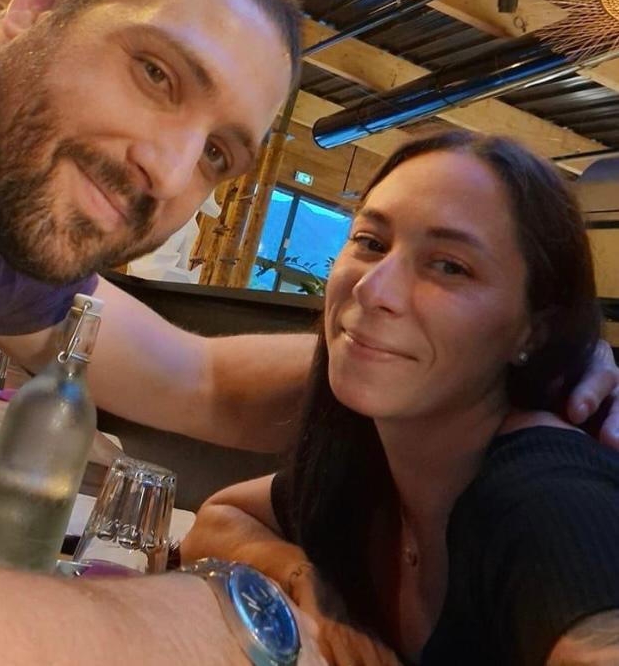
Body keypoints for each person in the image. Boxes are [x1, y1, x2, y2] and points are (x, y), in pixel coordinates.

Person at [0, 0, 616, 663]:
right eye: (158, 75)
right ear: (41, 4)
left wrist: (502, 367)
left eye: (218, 154)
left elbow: (202, 381)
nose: (167, 168)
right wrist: (236, 618)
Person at [182, 132, 619, 666]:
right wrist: (305, 581)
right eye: (370, 242)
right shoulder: (371, 463)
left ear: (533, 330)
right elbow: (219, 518)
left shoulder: (545, 495)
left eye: (449, 266)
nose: (373, 289)